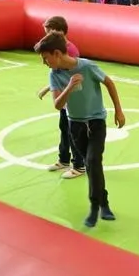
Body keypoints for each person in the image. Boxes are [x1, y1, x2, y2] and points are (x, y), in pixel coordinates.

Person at [35, 32, 126, 227]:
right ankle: (103, 202)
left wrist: (119, 111)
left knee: (93, 161)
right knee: (91, 165)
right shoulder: (54, 75)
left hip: (96, 122)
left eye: (46, 58)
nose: (44, 63)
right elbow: (58, 105)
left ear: (57, 53)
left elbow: (109, 83)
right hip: (75, 125)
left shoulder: (87, 66)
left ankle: (95, 207)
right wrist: (69, 87)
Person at [37, 16, 85, 179]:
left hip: (72, 99)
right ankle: (64, 159)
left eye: (48, 33)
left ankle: (79, 164)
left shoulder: (70, 50)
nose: (46, 36)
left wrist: (68, 94)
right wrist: (48, 88)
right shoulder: (55, 50)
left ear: (58, 32)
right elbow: (57, 75)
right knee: (64, 129)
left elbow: (73, 76)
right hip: (64, 99)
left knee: (74, 132)